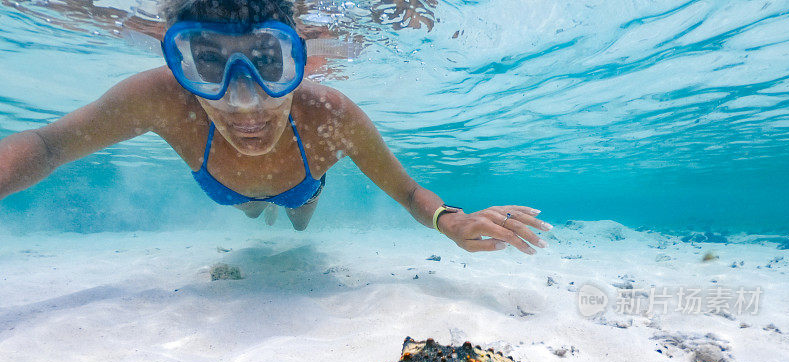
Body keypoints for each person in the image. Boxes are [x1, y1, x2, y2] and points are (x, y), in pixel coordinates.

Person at [0, 0, 551, 253]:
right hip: (227, 191)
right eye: (208, 63)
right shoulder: (160, 98)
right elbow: (48, 144)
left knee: (299, 219)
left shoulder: (332, 115)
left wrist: (448, 221)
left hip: (301, 184)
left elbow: (407, 192)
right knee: (249, 206)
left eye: (268, 62)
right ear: (179, 65)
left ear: (302, 61)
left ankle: (295, 206)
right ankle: (257, 205)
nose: (245, 105)